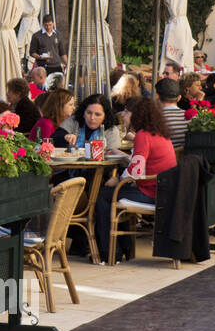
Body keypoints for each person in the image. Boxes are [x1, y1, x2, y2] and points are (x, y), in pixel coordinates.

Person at [95, 96, 177, 261]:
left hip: (152, 194)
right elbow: (141, 162)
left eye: (126, 111)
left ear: (137, 114)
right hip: (163, 191)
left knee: (103, 196)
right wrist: (121, 155)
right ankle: (125, 248)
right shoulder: (157, 132)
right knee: (116, 193)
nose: (123, 115)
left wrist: (117, 179)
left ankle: (109, 252)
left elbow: (135, 172)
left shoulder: (142, 135)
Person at [54, 93, 122, 153]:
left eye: (97, 114)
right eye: (89, 113)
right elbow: (55, 137)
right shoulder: (74, 121)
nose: (92, 117)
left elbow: (113, 156)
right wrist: (65, 137)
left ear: (105, 116)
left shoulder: (111, 130)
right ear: (83, 112)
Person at [156, 78, 187, 149]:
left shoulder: (155, 120)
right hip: (183, 158)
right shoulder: (191, 117)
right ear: (179, 98)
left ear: (157, 96)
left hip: (161, 158)